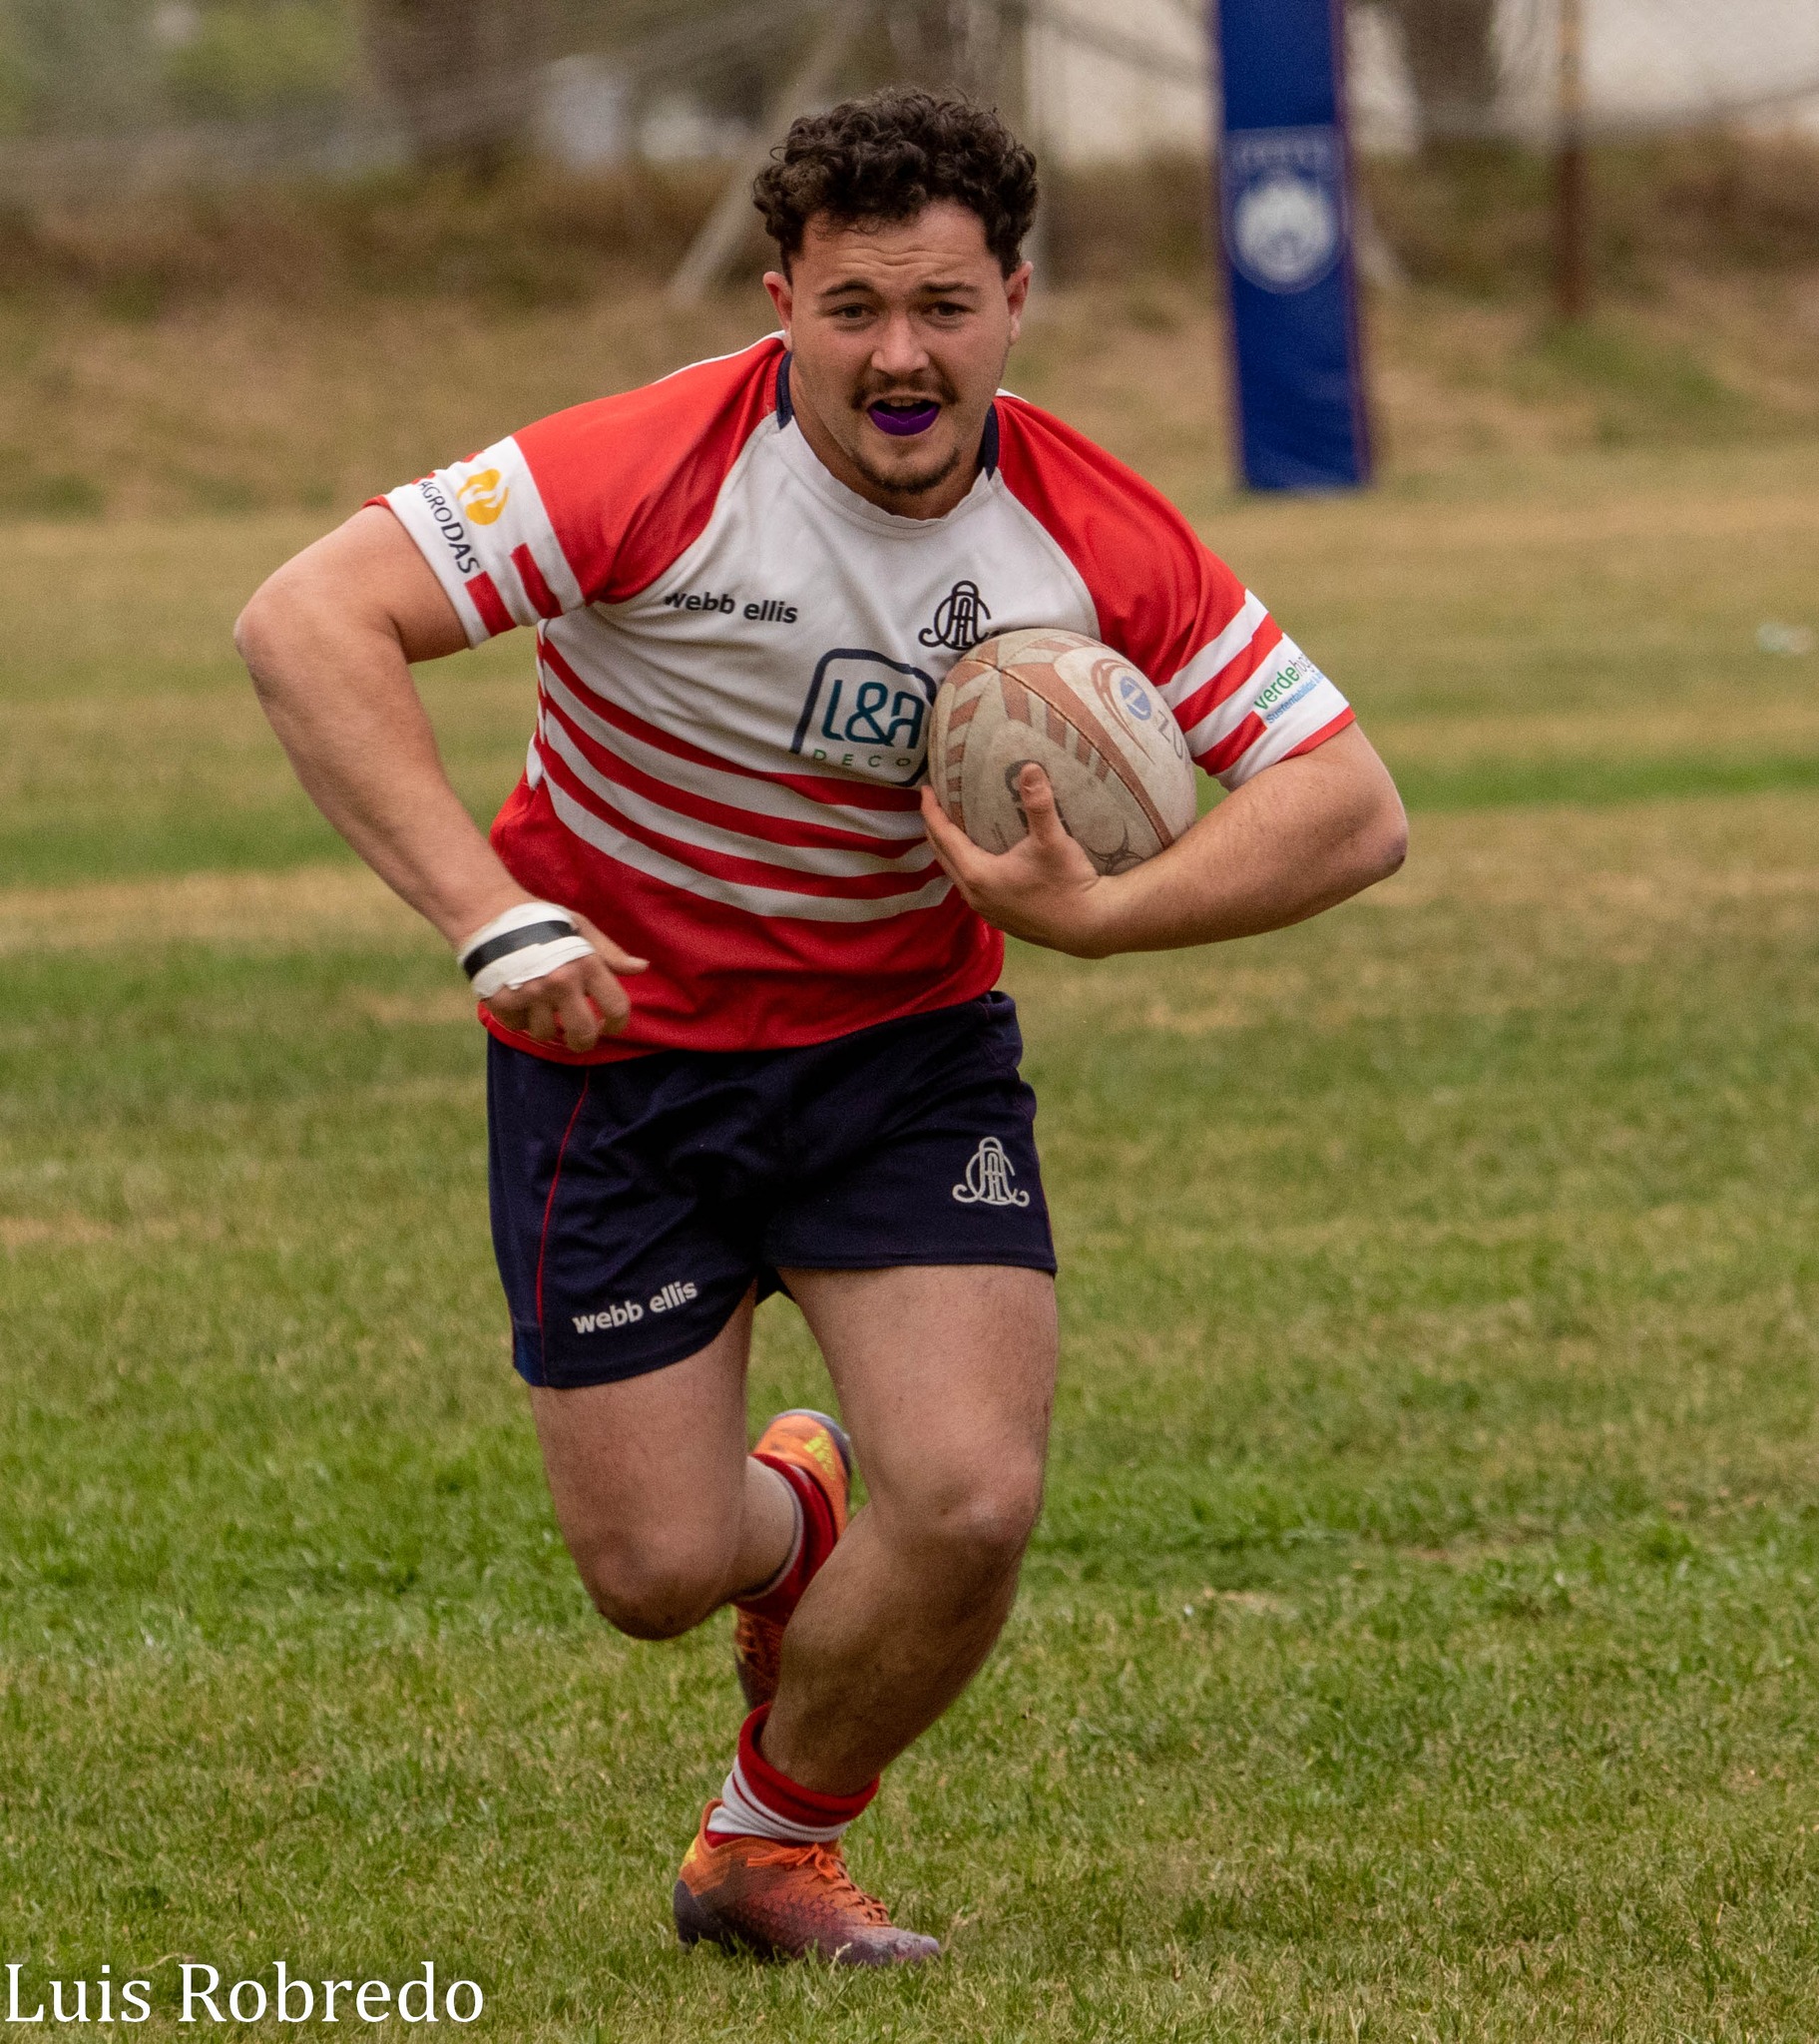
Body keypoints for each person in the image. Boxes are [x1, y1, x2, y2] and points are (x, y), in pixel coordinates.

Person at [234, 88, 1407, 1966]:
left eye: (944, 307)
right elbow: (307, 618)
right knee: (655, 1575)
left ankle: (765, 1853)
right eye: (854, 306)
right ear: (780, 298)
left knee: (969, 1501)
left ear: (1016, 301)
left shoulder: (1086, 528)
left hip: (898, 1058)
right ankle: (782, 1515)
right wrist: (490, 915)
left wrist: (1106, 913)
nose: (901, 354)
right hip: (611, 1054)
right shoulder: (646, 466)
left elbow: (1352, 803)